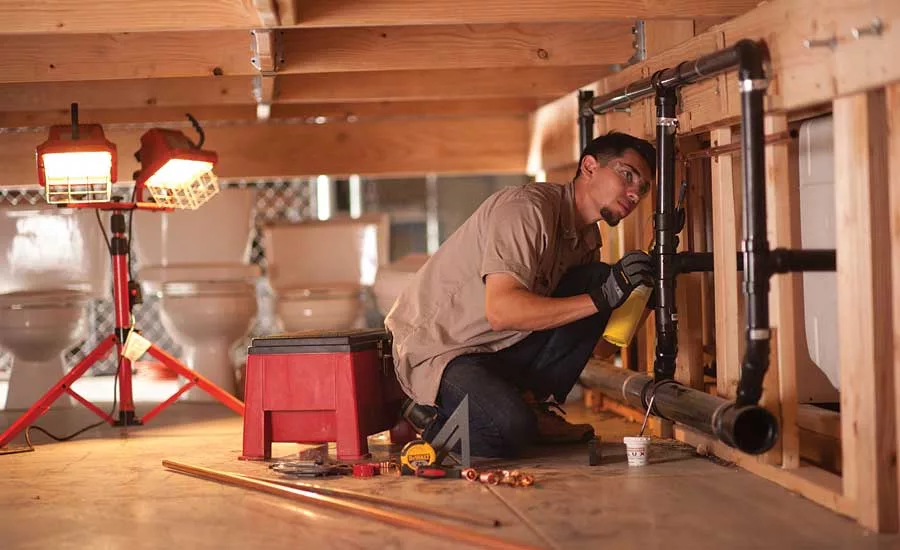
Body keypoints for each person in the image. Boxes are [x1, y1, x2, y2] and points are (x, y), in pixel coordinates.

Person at [385, 131, 657, 458]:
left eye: (642, 188)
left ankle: (534, 406)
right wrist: (602, 298)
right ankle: (424, 413)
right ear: (589, 167)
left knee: (599, 279)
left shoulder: (585, 241)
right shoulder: (526, 210)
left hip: (499, 347)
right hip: (444, 351)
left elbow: (596, 347)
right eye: (627, 175)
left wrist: (641, 301)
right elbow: (501, 312)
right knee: (510, 429)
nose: (634, 193)